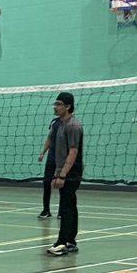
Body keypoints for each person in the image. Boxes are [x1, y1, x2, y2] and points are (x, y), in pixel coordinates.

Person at [46, 92, 83, 256]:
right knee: (70, 205)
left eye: (59, 104)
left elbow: (73, 152)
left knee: (66, 207)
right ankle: (70, 241)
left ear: (68, 106)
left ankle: (61, 243)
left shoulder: (72, 126)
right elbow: (60, 153)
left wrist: (62, 175)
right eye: (55, 104)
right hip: (63, 171)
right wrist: (56, 173)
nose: (55, 107)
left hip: (71, 173)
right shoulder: (60, 124)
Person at [37, 111, 62, 219]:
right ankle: (46, 210)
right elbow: (49, 138)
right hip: (52, 157)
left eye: (59, 105)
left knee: (63, 184)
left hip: (63, 158)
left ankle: (62, 211)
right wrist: (43, 152)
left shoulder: (71, 124)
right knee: (47, 182)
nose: (56, 108)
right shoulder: (54, 122)